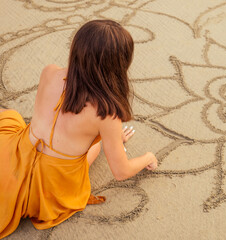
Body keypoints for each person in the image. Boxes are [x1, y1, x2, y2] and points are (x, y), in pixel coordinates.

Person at [0, 19, 158, 239]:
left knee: (11, 118)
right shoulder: (106, 112)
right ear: (120, 64)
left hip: (18, 153)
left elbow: (54, 118)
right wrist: (148, 156)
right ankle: (108, 141)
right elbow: (121, 172)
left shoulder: (50, 72)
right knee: (85, 152)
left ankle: (107, 140)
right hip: (52, 185)